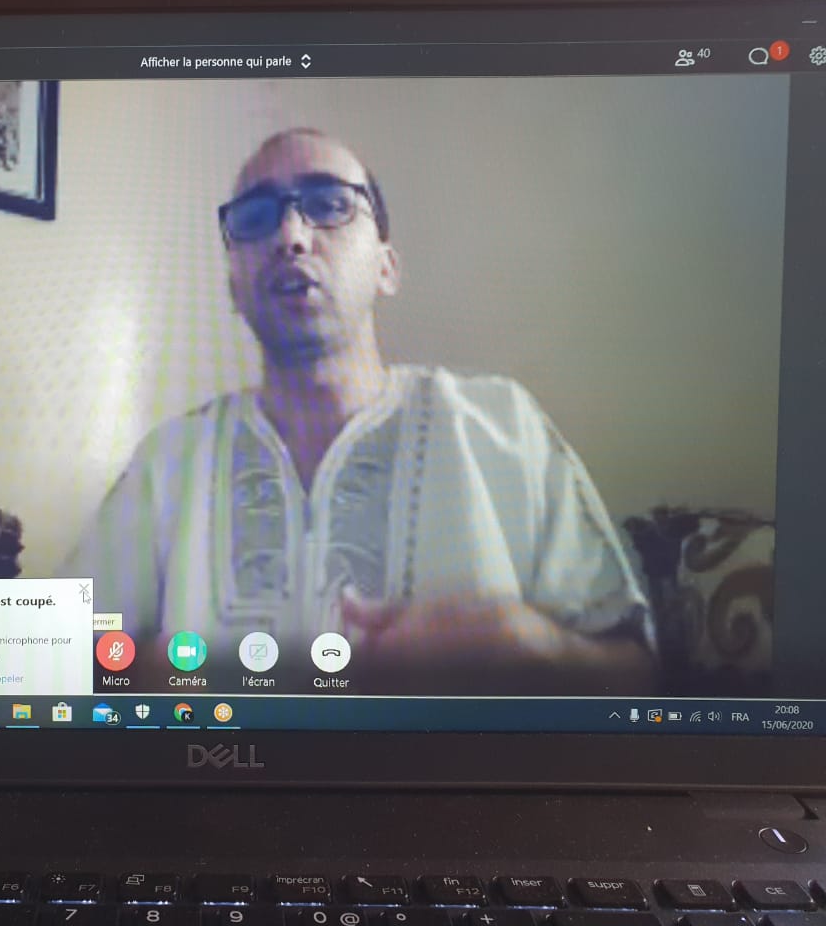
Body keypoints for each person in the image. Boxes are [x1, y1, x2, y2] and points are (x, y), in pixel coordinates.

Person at [63, 128, 655, 693]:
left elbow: (638, 676)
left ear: (385, 267)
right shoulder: (170, 461)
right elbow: (35, 659)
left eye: (329, 204)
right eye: (256, 217)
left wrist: (532, 649)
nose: (291, 235)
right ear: (234, 290)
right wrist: (136, 674)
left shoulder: (502, 427)